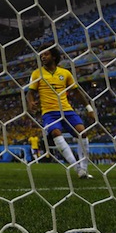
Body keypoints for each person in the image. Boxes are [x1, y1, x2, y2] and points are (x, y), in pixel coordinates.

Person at [26, 46, 94, 179]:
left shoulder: (65, 73)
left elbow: (76, 92)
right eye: (41, 55)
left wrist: (89, 109)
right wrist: (31, 102)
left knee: (82, 132)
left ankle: (84, 169)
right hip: (49, 113)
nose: (43, 57)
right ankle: (77, 169)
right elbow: (30, 92)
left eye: (46, 54)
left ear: (54, 56)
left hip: (67, 110)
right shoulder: (37, 73)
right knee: (56, 133)